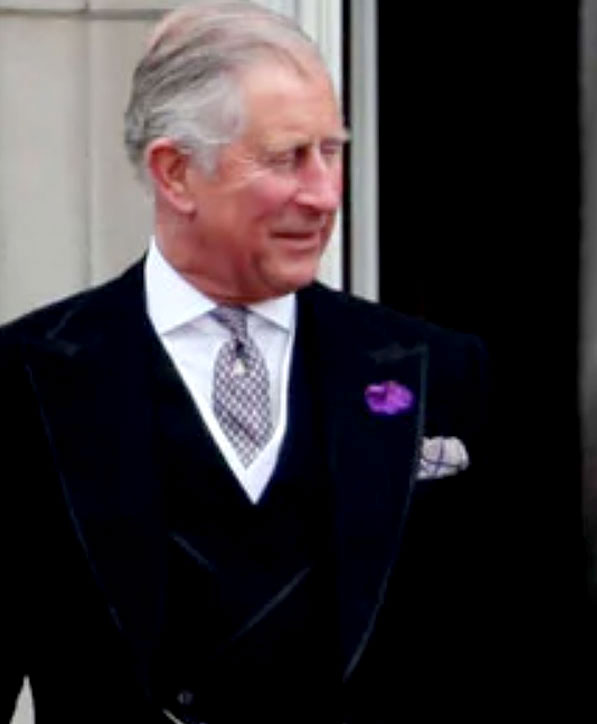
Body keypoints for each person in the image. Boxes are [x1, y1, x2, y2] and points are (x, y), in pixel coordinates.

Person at [0, 3, 492, 722]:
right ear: (174, 173)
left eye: (332, 151)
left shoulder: (442, 371)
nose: (324, 193)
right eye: (287, 156)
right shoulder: (26, 379)